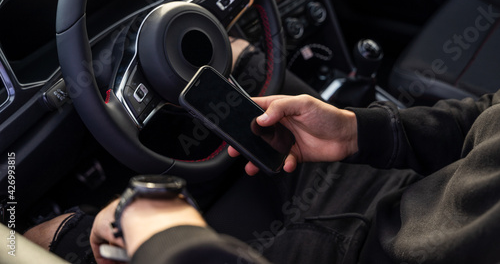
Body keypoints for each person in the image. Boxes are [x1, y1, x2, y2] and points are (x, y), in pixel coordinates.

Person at [84, 90, 500, 263]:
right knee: (246, 61)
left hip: (373, 251)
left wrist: (156, 229)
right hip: (418, 191)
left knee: (55, 236)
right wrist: (360, 131)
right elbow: (490, 112)